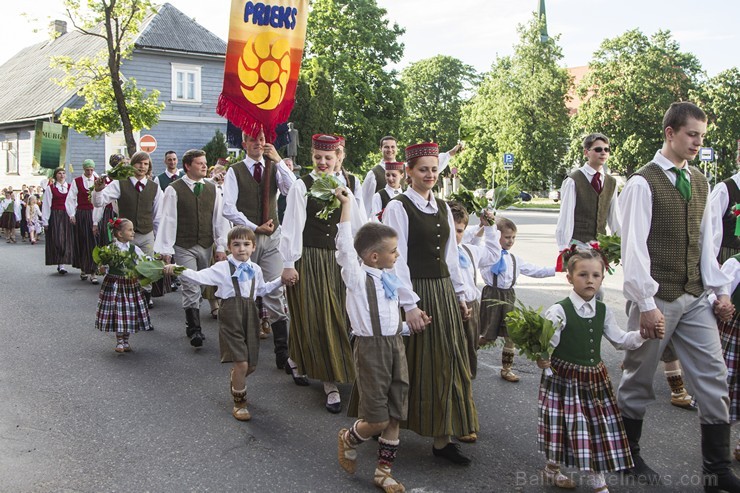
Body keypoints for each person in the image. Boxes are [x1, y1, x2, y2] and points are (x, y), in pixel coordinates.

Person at [617, 101, 740, 490]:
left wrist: (719, 290)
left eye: (702, 136)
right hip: (657, 297)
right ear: (670, 133)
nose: (697, 142)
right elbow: (633, 249)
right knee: (638, 380)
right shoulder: (643, 182)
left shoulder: (702, 181)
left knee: (714, 378)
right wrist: (647, 305)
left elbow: (708, 244)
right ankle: (627, 455)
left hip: (695, 297)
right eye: (691, 134)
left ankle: (716, 470)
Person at [382, 142, 477, 465]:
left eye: (434, 169)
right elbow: (397, 260)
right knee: (408, 365)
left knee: (448, 361)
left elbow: (452, 256)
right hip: (416, 290)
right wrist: (409, 305)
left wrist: (461, 296)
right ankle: (382, 426)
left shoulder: (442, 206)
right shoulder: (398, 207)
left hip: (443, 292)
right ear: (408, 172)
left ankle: (442, 438)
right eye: (423, 169)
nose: (430, 175)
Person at [538, 249, 656, 493]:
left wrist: (643, 335)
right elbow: (546, 342)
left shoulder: (602, 311)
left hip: (594, 380)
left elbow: (620, 339)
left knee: (593, 428)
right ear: (569, 277)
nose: (590, 280)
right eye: (582, 274)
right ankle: (552, 468)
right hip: (565, 379)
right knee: (564, 425)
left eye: (596, 275)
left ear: (603, 278)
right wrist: (543, 357)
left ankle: (596, 480)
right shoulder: (559, 311)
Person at [334, 187, 426, 492]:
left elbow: (391, 314)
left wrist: (408, 322)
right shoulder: (357, 279)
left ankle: (383, 471)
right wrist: (346, 207)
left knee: (396, 412)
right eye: (393, 251)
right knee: (375, 418)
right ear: (374, 256)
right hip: (371, 349)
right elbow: (347, 249)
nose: (397, 255)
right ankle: (350, 437)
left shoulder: (388, 277)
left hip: (394, 346)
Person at [280, 134, 366, 412]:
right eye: (318, 157)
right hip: (313, 256)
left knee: (344, 314)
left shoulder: (352, 183)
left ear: (340, 156)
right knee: (319, 314)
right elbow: (292, 225)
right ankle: (330, 381)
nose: (322, 162)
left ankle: (297, 357)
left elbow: (360, 222)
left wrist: (367, 256)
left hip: (343, 257)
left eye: (328, 157)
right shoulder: (301, 185)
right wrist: (289, 262)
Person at [165, 226, 283, 421]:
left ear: (254, 247)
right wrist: (178, 269)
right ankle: (240, 402)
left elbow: (261, 290)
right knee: (242, 363)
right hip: (230, 314)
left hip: (251, 314)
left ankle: (236, 376)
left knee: (251, 365)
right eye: (236, 245)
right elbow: (200, 276)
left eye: (246, 244)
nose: (241, 249)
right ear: (229, 247)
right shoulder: (222, 268)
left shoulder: (256, 269)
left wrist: (281, 281)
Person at [223, 129, 296, 370]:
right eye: (253, 140)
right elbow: (228, 208)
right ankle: (244, 346)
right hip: (246, 238)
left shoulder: (274, 167)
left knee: (275, 289)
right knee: (246, 291)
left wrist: (279, 162)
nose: (258, 143)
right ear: (244, 143)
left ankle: (281, 352)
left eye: (262, 139)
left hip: (273, 237)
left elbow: (292, 192)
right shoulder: (235, 171)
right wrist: (255, 226)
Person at [154, 149, 229, 348]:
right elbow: (168, 220)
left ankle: (193, 317)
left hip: (205, 244)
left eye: (205, 163)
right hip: (183, 244)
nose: (205, 166)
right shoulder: (174, 189)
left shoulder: (213, 188)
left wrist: (221, 246)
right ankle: (195, 328)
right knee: (190, 284)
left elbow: (218, 219)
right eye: (200, 163)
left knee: (203, 284)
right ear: (188, 166)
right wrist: (166, 250)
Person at [478, 216, 556, 383]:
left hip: (508, 296)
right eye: (507, 237)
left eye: (513, 237)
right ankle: (466, 354)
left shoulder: (514, 259)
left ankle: (507, 369)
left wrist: (556, 269)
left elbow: (534, 270)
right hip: (492, 295)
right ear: (496, 236)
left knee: (511, 335)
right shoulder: (487, 255)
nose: (511, 241)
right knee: (487, 335)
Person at [92, 151, 163, 308]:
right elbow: (99, 203)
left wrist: (158, 239)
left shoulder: (155, 188)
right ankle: (127, 303)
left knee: (146, 269)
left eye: (146, 164)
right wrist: (98, 191)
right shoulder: (120, 184)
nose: (142, 167)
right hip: (125, 236)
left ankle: (144, 303)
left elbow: (158, 215)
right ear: (132, 165)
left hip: (146, 234)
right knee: (125, 270)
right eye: (139, 163)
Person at [361, 136, 461, 217]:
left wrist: (450, 154)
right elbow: (364, 202)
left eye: (392, 147)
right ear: (381, 149)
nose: (390, 150)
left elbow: (428, 166)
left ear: (396, 149)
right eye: (386, 147)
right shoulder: (373, 174)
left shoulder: (406, 168)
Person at [555, 133, 620, 252]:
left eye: (607, 149)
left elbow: (614, 217)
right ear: (586, 152)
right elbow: (566, 216)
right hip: (577, 245)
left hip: (600, 248)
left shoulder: (611, 182)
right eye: (598, 149)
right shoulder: (573, 180)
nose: (603, 152)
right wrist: (563, 246)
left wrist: (620, 243)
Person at [95, 218, 152, 352]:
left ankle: (126, 340)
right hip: (114, 284)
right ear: (120, 234)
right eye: (130, 230)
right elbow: (102, 266)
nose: (133, 233)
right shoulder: (110, 249)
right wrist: (102, 269)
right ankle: (119, 340)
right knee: (118, 311)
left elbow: (143, 261)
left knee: (129, 311)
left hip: (130, 284)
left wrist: (155, 262)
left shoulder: (134, 249)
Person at [66, 159, 101, 284]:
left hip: (94, 213)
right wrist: (72, 214)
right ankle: (83, 267)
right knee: (82, 240)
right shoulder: (77, 181)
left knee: (93, 242)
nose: (90, 172)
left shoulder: (98, 180)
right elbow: (70, 198)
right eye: (87, 170)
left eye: (91, 169)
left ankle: (93, 271)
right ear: (84, 169)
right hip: (81, 213)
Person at [42, 168, 74, 274]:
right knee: (58, 239)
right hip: (55, 215)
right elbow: (46, 205)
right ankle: (60, 263)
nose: (62, 175)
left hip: (67, 215)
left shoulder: (70, 188)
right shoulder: (50, 189)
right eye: (59, 173)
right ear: (56, 175)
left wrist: (73, 215)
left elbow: (74, 202)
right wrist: (45, 221)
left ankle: (64, 263)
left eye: (64, 173)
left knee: (66, 239)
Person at [97, 154, 126, 247]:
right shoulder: (106, 178)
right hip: (109, 211)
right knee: (109, 236)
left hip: (123, 210)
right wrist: (96, 220)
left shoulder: (126, 178)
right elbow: (100, 200)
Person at [334, 136, 365, 213]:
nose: (337, 156)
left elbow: (359, 209)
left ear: (344, 155)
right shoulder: (319, 178)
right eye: (334, 152)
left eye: (339, 152)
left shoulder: (353, 180)